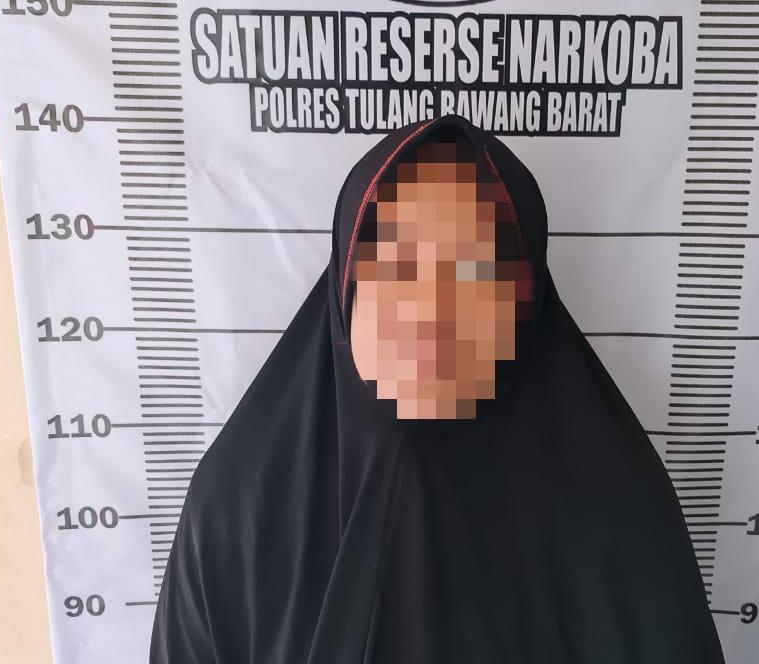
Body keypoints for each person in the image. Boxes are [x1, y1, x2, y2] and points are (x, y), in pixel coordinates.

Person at [148, 114, 727, 663]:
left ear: (527, 307)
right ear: (346, 291)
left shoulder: (620, 516)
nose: (431, 310)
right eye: (397, 266)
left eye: (476, 269)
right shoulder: (238, 512)